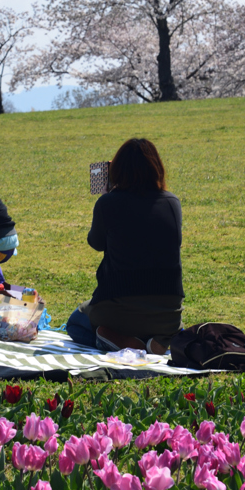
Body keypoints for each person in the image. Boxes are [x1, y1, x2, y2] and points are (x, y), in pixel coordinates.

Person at [77, 138, 184, 355]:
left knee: (75, 324)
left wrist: (107, 198)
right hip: (168, 314)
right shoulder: (173, 202)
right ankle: (156, 341)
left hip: (118, 308)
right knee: (159, 323)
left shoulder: (108, 203)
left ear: (116, 170)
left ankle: (128, 342)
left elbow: (95, 243)